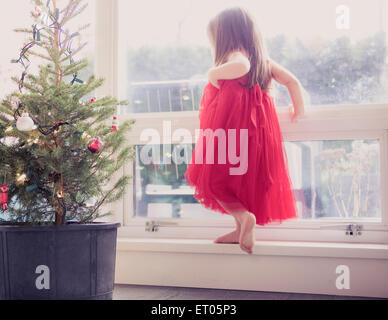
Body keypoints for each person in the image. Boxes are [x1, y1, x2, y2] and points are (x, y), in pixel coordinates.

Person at [184, 6, 305, 254]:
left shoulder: (235, 55)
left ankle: (243, 216)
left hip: (232, 132)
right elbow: (293, 81)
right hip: (258, 136)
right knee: (239, 183)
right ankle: (240, 227)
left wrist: (212, 73)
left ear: (226, 36)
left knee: (213, 182)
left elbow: (241, 67)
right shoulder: (266, 63)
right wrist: (298, 108)